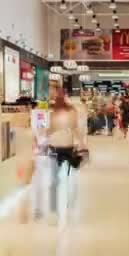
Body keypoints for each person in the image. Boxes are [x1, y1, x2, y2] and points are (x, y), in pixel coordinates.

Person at [47, 90, 83, 224]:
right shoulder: (72, 112)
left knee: (54, 180)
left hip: (54, 146)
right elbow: (75, 128)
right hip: (67, 146)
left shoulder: (53, 113)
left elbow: (49, 130)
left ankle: (54, 208)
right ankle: (66, 204)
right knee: (67, 178)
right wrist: (82, 143)